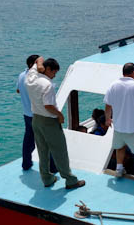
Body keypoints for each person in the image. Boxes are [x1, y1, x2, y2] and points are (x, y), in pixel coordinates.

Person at [25, 56, 85, 189]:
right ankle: (70, 180)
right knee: (60, 151)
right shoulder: (47, 85)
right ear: (48, 69)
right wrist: (60, 115)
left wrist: (39, 65)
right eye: (54, 72)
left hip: (36, 119)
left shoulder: (31, 77)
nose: (54, 76)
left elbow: (39, 59)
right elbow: (48, 106)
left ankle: (47, 178)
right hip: (49, 122)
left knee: (43, 151)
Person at [16, 55, 58, 173]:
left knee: (28, 140)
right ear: (33, 65)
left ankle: (26, 163)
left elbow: (18, 90)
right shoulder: (37, 79)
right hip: (39, 114)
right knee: (47, 141)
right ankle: (53, 167)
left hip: (26, 114)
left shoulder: (21, 76)